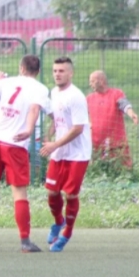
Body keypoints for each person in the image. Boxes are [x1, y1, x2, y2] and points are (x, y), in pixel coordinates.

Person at [0, 55, 50, 253]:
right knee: (19, 192)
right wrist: (29, 130)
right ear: (38, 71)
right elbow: (34, 109)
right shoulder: (40, 88)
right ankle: (25, 241)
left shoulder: (6, 82)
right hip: (14, 144)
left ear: (21, 68)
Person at [40, 57, 92, 252]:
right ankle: (58, 221)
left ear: (71, 73)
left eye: (61, 71)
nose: (57, 74)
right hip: (60, 151)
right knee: (52, 192)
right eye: (55, 71)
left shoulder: (76, 96)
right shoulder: (54, 93)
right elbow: (58, 118)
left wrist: (54, 144)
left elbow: (78, 128)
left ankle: (67, 232)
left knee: (70, 194)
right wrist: (49, 135)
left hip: (77, 154)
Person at [87, 70, 139, 168]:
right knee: (98, 170)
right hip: (96, 145)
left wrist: (131, 113)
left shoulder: (116, 94)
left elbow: (124, 104)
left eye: (92, 81)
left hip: (117, 144)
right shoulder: (89, 99)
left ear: (101, 81)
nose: (90, 84)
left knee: (123, 169)